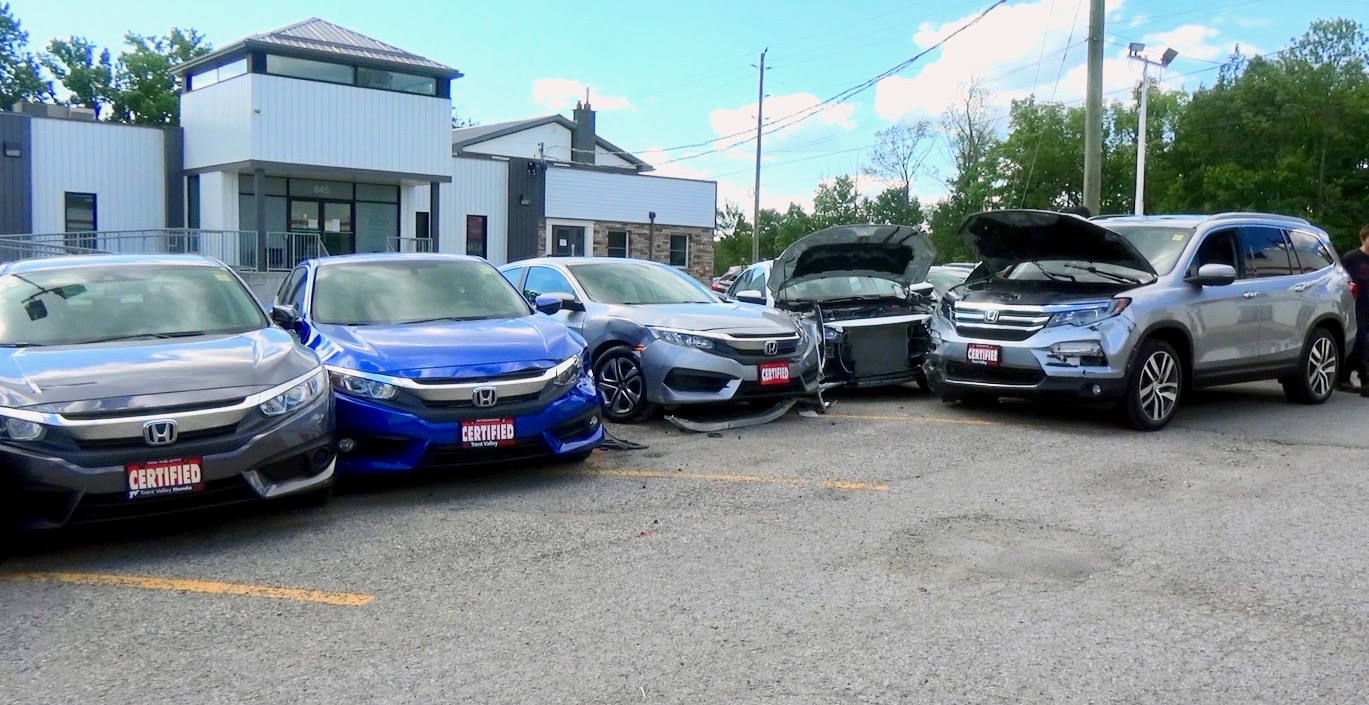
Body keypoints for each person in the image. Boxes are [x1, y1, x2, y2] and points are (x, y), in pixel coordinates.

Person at [1338, 223, 1369, 395]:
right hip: (1356, 305)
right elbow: (1341, 280)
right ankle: (1346, 377)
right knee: (1359, 340)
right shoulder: (1351, 258)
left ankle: (1360, 379)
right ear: (1363, 239)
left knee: (1365, 343)